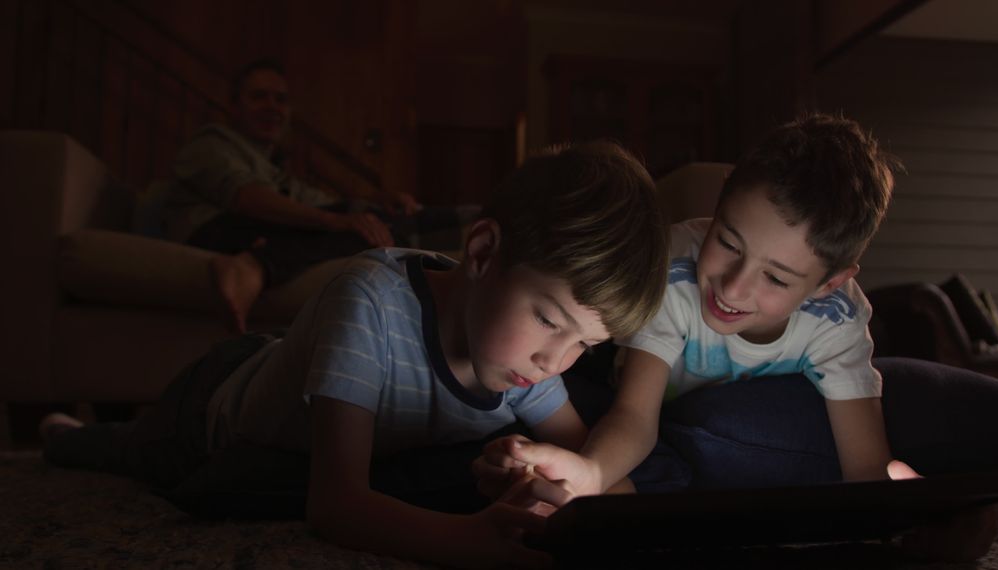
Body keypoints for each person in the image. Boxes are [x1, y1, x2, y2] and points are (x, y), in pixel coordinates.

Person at [39, 141, 670, 569]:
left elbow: (600, 472)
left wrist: (559, 480)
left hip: (291, 406)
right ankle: (67, 434)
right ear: (481, 254)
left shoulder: (524, 359)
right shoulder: (370, 303)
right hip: (214, 409)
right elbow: (336, 505)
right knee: (127, 451)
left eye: (585, 346)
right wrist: (468, 540)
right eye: (549, 320)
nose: (553, 363)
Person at [475, 114, 998, 561]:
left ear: (829, 282)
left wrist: (916, 518)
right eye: (727, 242)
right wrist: (591, 472)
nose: (733, 287)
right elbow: (636, 416)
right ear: (718, 208)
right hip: (634, 399)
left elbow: (863, 467)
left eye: (775, 278)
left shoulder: (836, 320)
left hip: (738, 424)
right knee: (596, 432)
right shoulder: (676, 271)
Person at [161, 58, 458, 333]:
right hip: (213, 229)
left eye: (280, 100)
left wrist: (376, 200)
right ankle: (250, 266)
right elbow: (247, 198)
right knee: (366, 230)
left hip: (257, 229)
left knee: (375, 225)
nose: (272, 106)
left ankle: (464, 219)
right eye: (259, 96)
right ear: (235, 107)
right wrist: (336, 221)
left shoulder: (275, 169)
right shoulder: (212, 142)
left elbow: (322, 203)